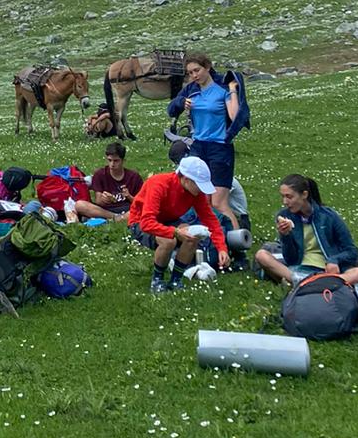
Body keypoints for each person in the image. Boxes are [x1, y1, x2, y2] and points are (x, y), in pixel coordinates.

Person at [127, 154, 229, 294]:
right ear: (186, 179)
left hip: (168, 219)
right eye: (198, 185)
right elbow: (146, 223)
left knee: (193, 236)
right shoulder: (159, 184)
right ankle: (157, 280)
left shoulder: (195, 193)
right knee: (169, 241)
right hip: (140, 221)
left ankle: (176, 279)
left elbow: (210, 219)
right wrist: (175, 232)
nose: (201, 190)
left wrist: (221, 248)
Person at [167, 54, 241, 229]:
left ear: (207, 67)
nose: (194, 75)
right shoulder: (191, 90)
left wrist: (232, 90)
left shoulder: (221, 90)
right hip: (198, 146)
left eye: (197, 70)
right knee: (199, 198)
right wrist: (180, 103)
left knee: (218, 202)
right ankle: (212, 242)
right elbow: (170, 110)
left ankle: (237, 243)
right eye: (190, 72)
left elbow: (234, 116)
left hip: (220, 147)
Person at [254, 174, 358, 285]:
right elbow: (291, 259)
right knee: (261, 255)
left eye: (289, 197)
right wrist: (286, 236)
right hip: (297, 267)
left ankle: (303, 283)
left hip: (326, 268)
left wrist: (334, 260)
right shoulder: (285, 216)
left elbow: (352, 251)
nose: (285, 202)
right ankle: (311, 282)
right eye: (283, 196)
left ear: (304, 195)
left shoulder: (328, 216)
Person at [75, 140, 142, 221]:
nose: (112, 164)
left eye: (116, 161)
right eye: (109, 160)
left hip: (128, 208)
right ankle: (117, 217)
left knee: (145, 208)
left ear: (123, 161)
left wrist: (129, 197)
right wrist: (105, 199)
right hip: (106, 210)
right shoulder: (100, 174)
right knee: (79, 205)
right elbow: (98, 201)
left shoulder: (134, 176)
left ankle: (121, 217)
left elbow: (140, 202)